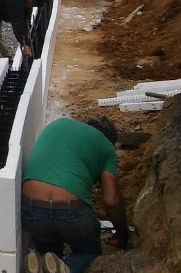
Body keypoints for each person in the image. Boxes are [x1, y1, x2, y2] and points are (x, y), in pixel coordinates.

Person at [21, 116, 129, 273]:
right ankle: (67, 268)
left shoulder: (58, 124)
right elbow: (112, 200)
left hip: (31, 208)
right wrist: (122, 236)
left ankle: (44, 263)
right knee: (88, 251)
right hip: (70, 211)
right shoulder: (106, 147)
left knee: (49, 251)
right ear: (109, 140)